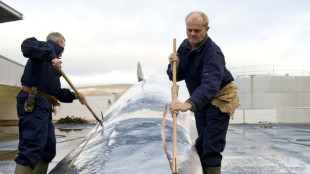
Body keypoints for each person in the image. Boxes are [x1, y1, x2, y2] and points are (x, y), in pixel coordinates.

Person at [167, 11, 239, 174]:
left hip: (220, 98)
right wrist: (173, 65)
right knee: (202, 142)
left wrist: (189, 104)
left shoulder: (213, 53)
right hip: (202, 100)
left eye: (197, 30)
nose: (192, 34)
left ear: (207, 29)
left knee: (211, 146)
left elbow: (210, 85)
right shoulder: (185, 46)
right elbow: (175, 77)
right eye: (189, 30)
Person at [14, 32, 86, 174]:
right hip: (32, 101)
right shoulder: (42, 47)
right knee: (31, 147)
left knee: (48, 148)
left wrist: (75, 96)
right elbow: (26, 47)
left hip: (44, 104)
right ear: (60, 43)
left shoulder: (54, 66)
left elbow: (57, 92)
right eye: (64, 47)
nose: (63, 51)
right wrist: (51, 56)